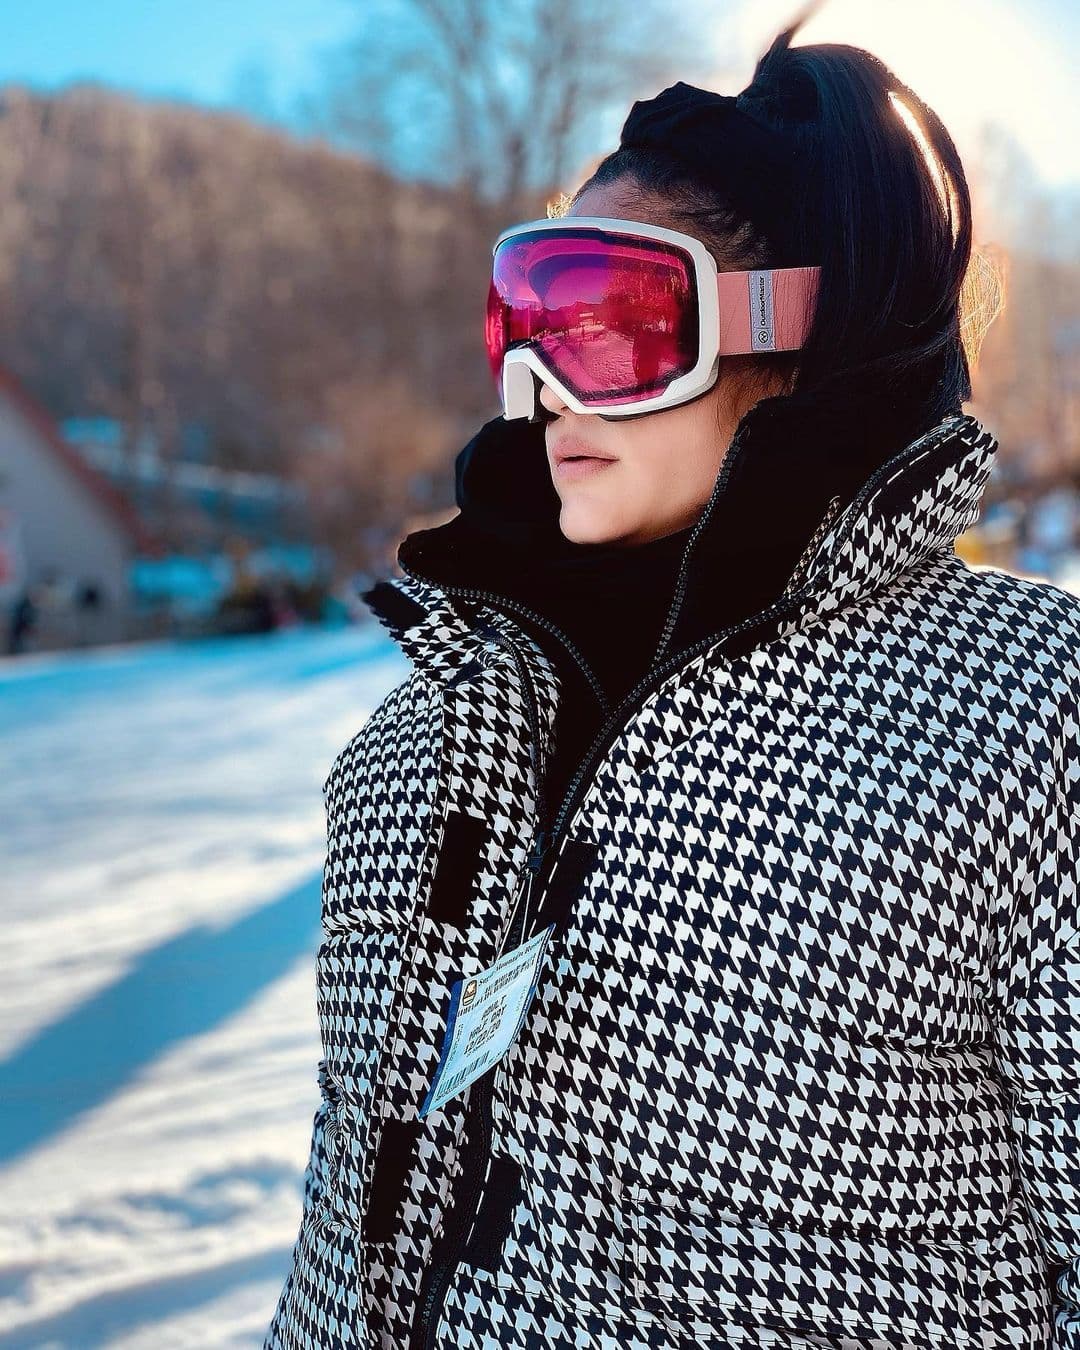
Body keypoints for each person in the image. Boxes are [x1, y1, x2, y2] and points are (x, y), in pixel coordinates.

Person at [265, 13, 1080, 1350]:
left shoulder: (1033, 722)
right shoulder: (418, 741)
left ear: (804, 334)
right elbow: (344, 1218)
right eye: (524, 314)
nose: (543, 379)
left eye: (608, 319)